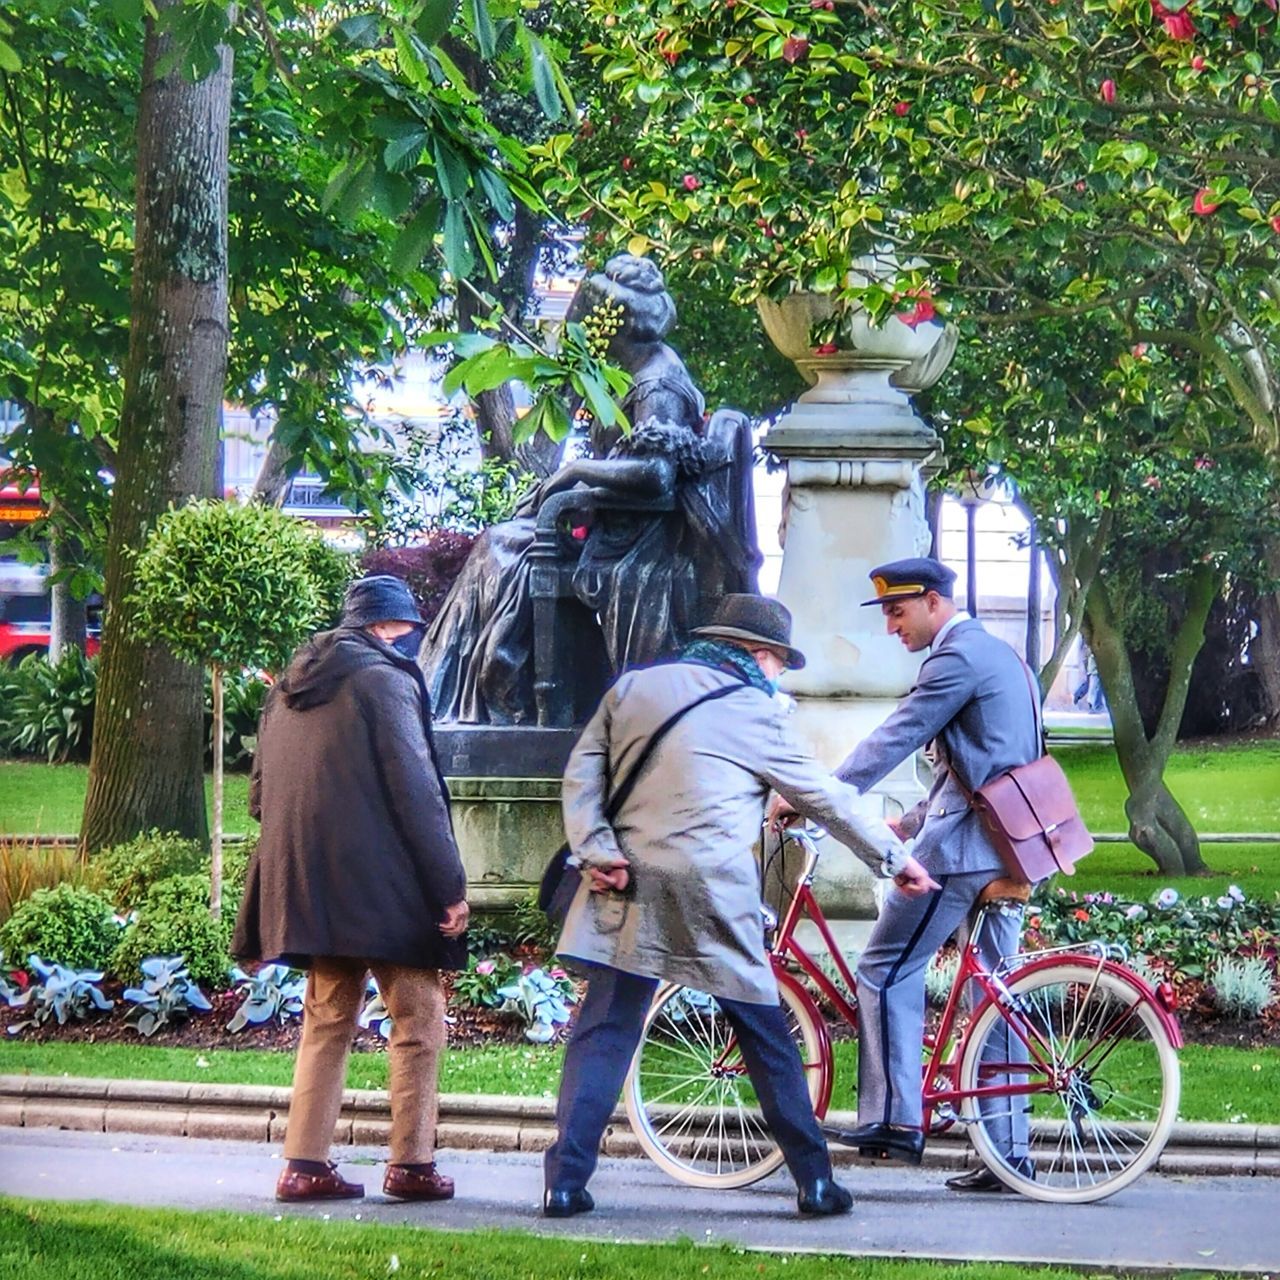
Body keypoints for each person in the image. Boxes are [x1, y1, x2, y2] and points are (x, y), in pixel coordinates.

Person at [544, 593, 938, 1220]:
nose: (779, 675)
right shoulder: (757, 710)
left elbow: (582, 775)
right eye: (781, 663)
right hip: (713, 890)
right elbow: (824, 797)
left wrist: (597, 849)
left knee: (604, 1031)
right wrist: (895, 860)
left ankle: (564, 1184)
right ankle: (814, 1182)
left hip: (624, 880)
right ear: (760, 654)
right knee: (764, 1034)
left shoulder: (632, 689)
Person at [771, 557, 1041, 1192]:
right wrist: (909, 821)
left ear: (933, 602)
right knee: (990, 1002)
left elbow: (897, 735)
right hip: (1013, 847)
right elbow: (987, 764)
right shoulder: (1002, 657)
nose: (891, 626)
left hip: (965, 853)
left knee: (883, 967)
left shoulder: (953, 660)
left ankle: (895, 1120)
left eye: (897, 610)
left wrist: (818, 797)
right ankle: (1009, 1156)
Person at [232, 574, 470, 1204]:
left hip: (308, 883)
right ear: (392, 629)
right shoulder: (384, 680)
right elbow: (417, 791)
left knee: (327, 1016)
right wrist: (449, 888)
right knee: (418, 1016)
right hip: (384, 883)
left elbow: (259, 796)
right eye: (406, 631)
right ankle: (412, 1164)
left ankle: (303, 1164)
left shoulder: (289, 687)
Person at [421, 416, 759, 723]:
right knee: (501, 546)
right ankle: (454, 692)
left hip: (634, 543)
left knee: (502, 546)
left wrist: (575, 472)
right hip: (613, 534)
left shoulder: (658, 384)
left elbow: (657, 476)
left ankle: (469, 695)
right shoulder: (635, 381)